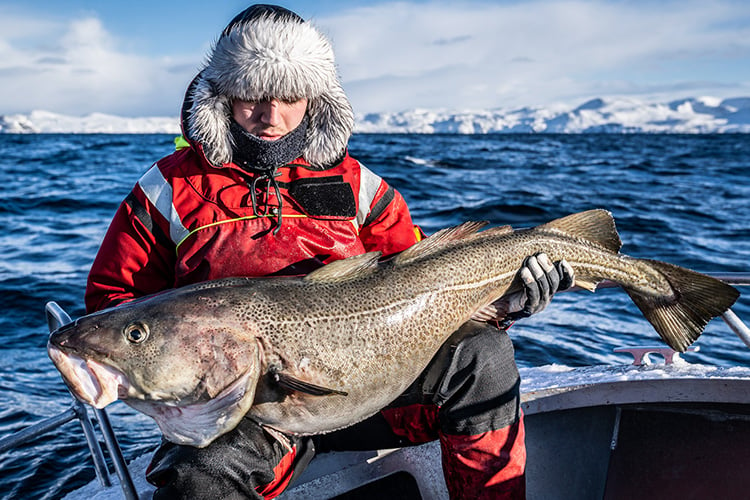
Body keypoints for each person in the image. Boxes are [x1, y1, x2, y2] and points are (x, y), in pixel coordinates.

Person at [85, 5, 573, 499]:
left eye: (290, 96)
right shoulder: (167, 188)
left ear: (314, 99)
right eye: (253, 95)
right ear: (224, 94)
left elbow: (428, 284)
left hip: (378, 391)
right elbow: (117, 302)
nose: (270, 117)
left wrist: (505, 304)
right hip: (245, 411)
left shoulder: (359, 186)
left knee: (483, 356)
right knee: (199, 477)